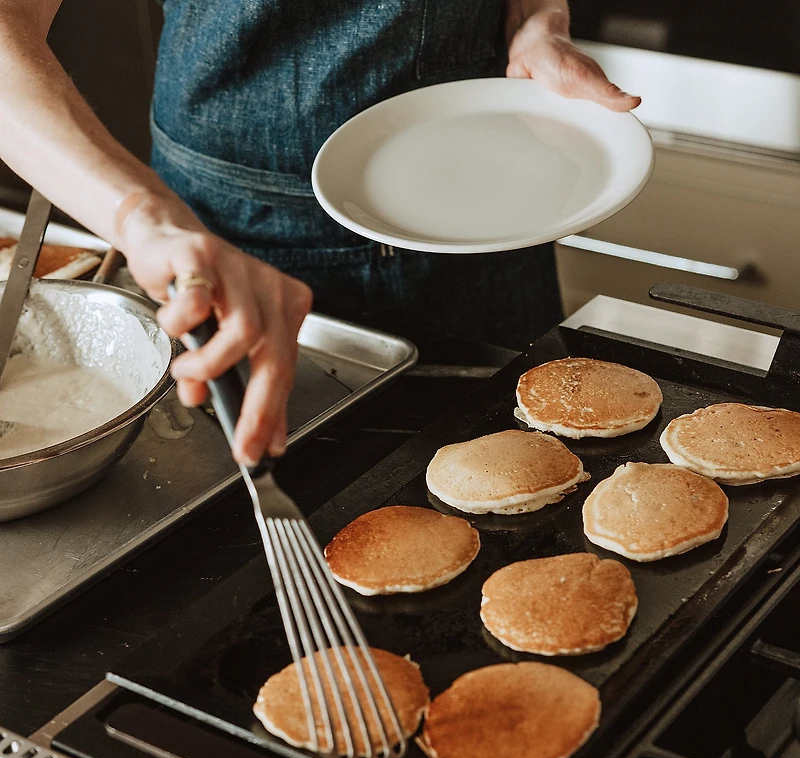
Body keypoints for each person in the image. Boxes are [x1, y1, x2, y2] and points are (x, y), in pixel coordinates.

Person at [0, 0, 639, 467]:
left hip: (483, 216)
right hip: (228, 243)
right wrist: (144, 218)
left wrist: (536, 21)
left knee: (531, 488)